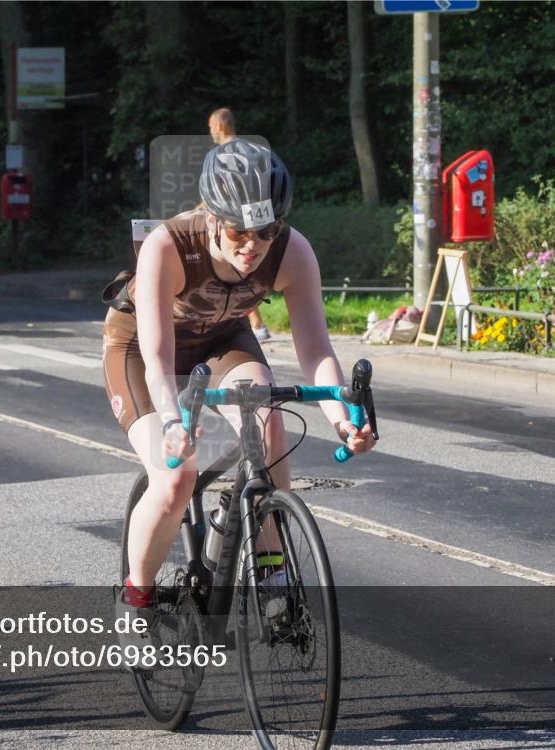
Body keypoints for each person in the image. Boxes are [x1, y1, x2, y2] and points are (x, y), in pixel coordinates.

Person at [102, 139, 376, 655]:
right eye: (237, 232)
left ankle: (272, 584)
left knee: (269, 423)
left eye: (266, 232)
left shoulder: (293, 251)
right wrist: (172, 422)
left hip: (220, 340)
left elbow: (315, 347)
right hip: (141, 352)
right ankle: (135, 600)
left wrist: (343, 418)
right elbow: (159, 358)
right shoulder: (168, 246)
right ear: (210, 217)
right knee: (175, 477)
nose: (253, 246)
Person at [208, 108, 271, 342]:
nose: (210, 132)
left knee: (232, 270)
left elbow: (219, 190)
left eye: (211, 127)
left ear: (220, 126)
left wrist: (197, 211)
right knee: (241, 270)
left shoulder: (223, 152)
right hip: (257, 217)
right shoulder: (250, 149)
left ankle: (253, 323)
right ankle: (254, 323)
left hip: (233, 220)